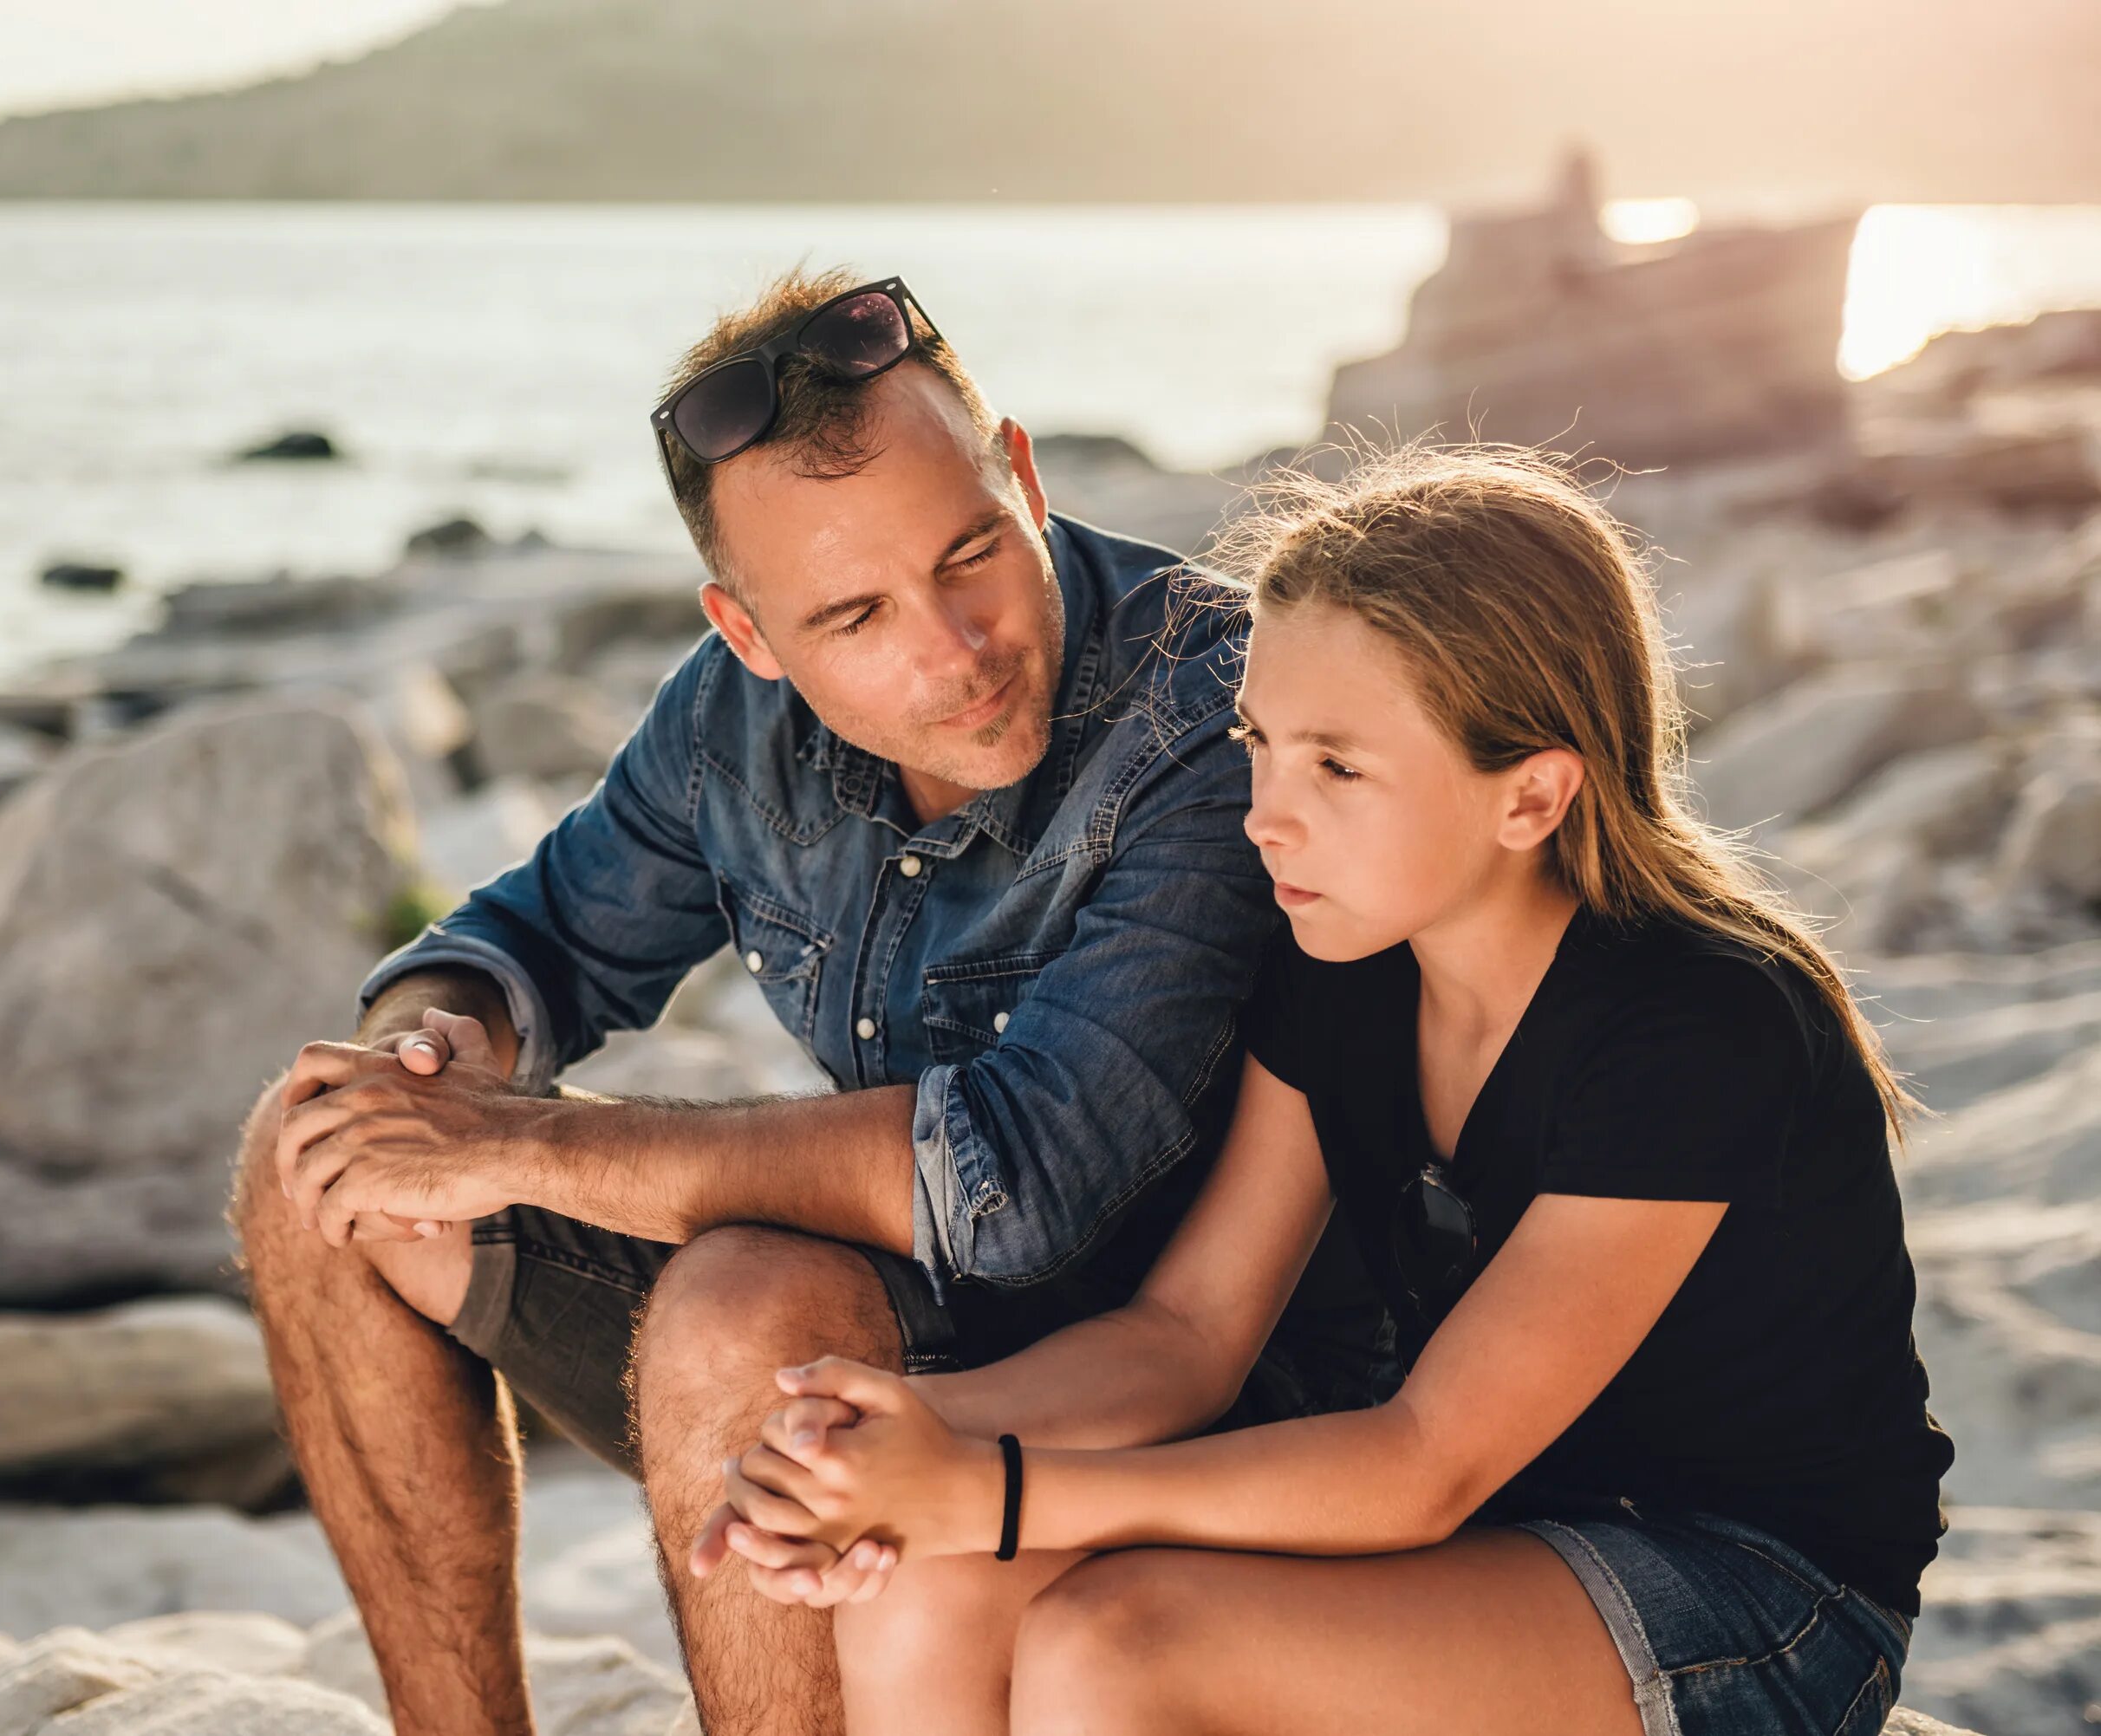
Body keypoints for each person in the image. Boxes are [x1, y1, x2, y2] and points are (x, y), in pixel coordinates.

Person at [227, 268, 1390, 1736]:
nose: (953, 648)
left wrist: (519, 1149)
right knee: (318, 1145)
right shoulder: (731, 718)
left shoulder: (1216, 713)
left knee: (744, 1308)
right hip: (882, 1344)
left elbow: (1020, 1181)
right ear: (750, 632)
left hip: (1179, 1416)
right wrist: (441, 1046)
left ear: (1021, 474)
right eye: (854, 615)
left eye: (971, 552)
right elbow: (542, 933)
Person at [703, 445, 1954, 1736]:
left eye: (1336, 768)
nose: (1266, 817)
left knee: (1115, 1644)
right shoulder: (1345, 972)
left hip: (1754, 1589)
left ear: (1530, 794)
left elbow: (1424, 1460)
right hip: (1504, 1529)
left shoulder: (1697, 1026)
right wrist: (904, 1436)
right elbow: (1188, 1335)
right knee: (928, 1585)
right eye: (1259, 744)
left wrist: (998, 1490)